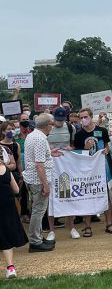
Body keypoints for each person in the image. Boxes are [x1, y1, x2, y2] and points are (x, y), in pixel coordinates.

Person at [73, 108, 112, 237]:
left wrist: (106, 150)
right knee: (87, 196)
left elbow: (107, 145)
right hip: (86, 170)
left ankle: (109, 223)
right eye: (81, 118)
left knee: (106, 195)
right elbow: (77, 152)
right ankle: (87, 226)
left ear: (91, 117)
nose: (83, 120)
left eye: (85, 117)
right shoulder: (79, 134)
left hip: (102, 167)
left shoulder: (101, 131)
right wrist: (85, 148)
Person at [23, 114, 61, 252]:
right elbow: (39, 165)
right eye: (51, 124)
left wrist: (49, 153)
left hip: (34, 179)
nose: (52, 126)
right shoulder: (40, 139)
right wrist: (45, 184)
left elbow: (37, 158)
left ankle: (37, 237)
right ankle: (35, 241)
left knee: (38, 210)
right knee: (38, 211)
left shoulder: (33, 135)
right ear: (47, 125)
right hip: (38, 180)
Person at [45, 107, 79, 240]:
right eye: (57, 120)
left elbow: (74, 145)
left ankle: (71, 227)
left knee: (67, 195)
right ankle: (51, 230)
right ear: (53, 118)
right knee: (51, 198)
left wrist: (71, 148)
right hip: (51, 166)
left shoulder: (71, 128)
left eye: (62, 119)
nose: (59, 122)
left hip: (65, 166)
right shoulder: (47, 129)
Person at [0, 154, 28, 279]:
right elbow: (16, 190)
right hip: (7, 205)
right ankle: (10, 267)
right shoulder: (6, 169)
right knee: (6, 238)